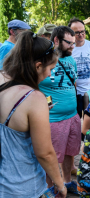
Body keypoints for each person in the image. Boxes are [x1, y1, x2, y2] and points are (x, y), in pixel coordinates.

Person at [0, 31, 67, 197]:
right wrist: (60, 184)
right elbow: (45, 153)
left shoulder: (2, 79)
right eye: (50, 68)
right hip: (23, 186)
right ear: (37, 66)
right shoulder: (34, 98)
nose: (50, 74)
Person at [38, 26, 81, 195]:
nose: (72, 46)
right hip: (54, 119)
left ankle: (68, 182)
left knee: (71, 153)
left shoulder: (71, 60)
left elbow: (73, 83)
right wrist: (48, 102)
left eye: (73, 43)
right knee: (53, 157)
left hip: (73, 116)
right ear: (56, 40)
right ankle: (51, 188)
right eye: (68, 43)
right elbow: (36, 86)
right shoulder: (42, 60)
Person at [68, 18, 90, 118]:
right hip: (74, 93)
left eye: (82, 31)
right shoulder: (68, 48)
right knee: (76, 121)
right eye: (77, 32)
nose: (81, 34)